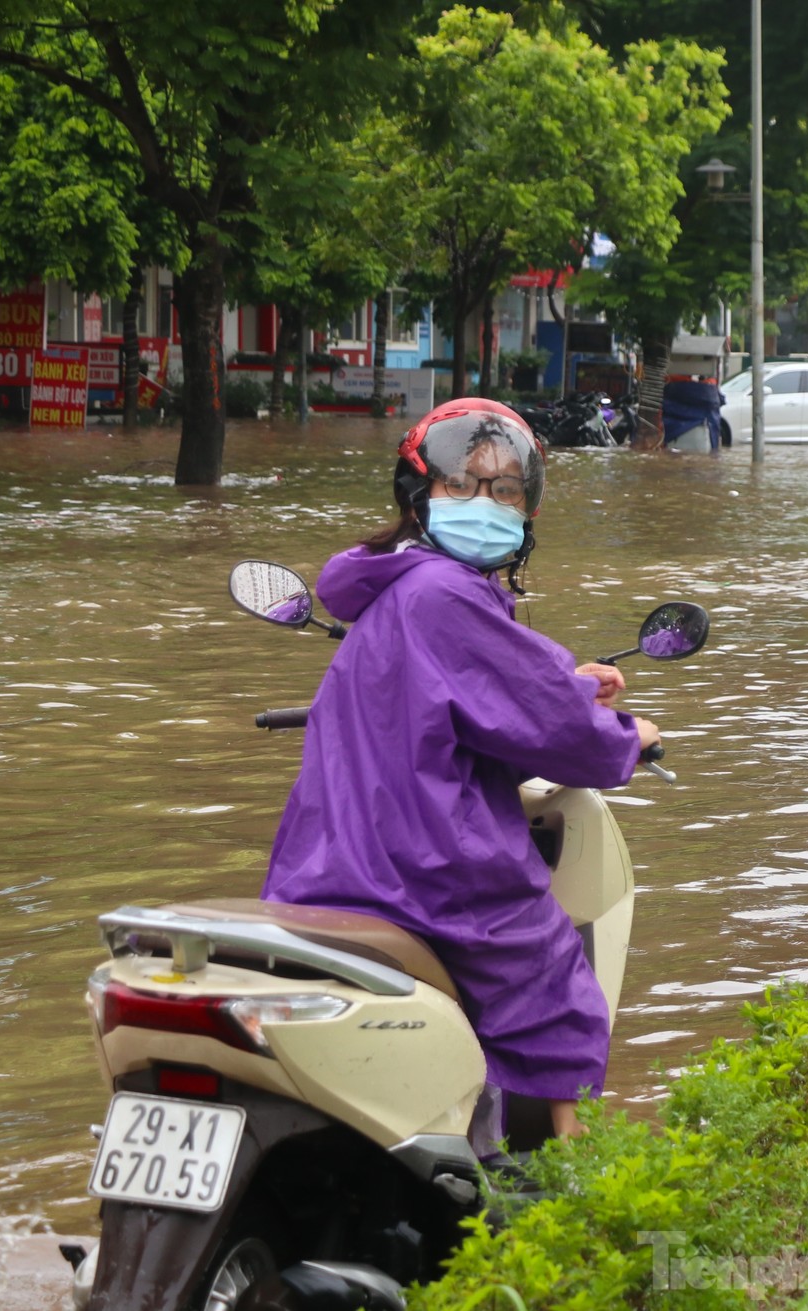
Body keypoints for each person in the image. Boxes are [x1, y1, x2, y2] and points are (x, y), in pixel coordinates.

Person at [263, 398, 661, 1141]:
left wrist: (571, 684)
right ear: (421, 496)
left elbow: (495, 689)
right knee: (557, 993)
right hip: (424, 873)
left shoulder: (397, 588)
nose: (485, 503)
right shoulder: (447, 593)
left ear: (527, 508)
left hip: (321, 871)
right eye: (463, 485)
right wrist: (627, 735)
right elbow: (553, 726)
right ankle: (579, 1205)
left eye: (505, 490)